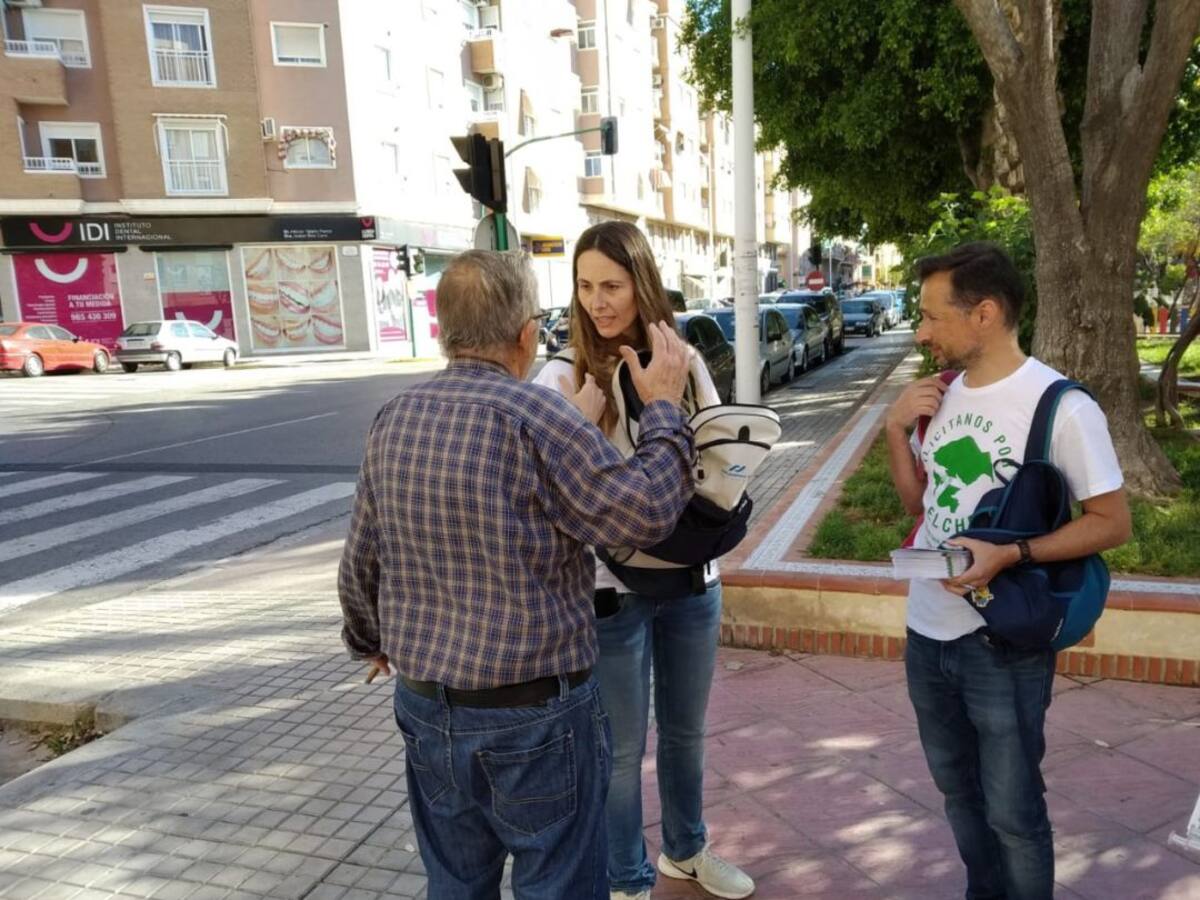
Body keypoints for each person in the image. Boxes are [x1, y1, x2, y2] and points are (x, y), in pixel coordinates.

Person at [339, 249, 698, 900]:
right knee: (558, 884)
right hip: (534, 719)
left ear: (444, 330)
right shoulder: (538, 416)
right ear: (527, 333)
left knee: (455, 884)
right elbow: (644, 514)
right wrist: (664, 410)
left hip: (426, 708)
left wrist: (370, 640)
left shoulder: (395, 416)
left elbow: (363, 554)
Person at [885, 242, 1131, 900]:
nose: (922, 332)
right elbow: (920, 505)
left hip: (1002, 642)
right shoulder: (939, 395)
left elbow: (1112, 522)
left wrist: (1012, 554)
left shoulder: (1061, 405)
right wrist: (895, 432)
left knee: (1014, 813)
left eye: (932, 316)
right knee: (958, 796)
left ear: (985, 313)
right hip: (926, 631)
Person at [534, 221, 755, 900]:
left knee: (686, 733)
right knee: (621, 751)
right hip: (612, 590)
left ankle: (686, 852)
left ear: (642, 285)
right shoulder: (561, 374)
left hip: (692, 578)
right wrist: (579, 423)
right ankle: (626, 879)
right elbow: (542, 493)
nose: (597, 301)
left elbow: (721, 460)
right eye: (585, 286)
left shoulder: (680, 362)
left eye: (612, 285)